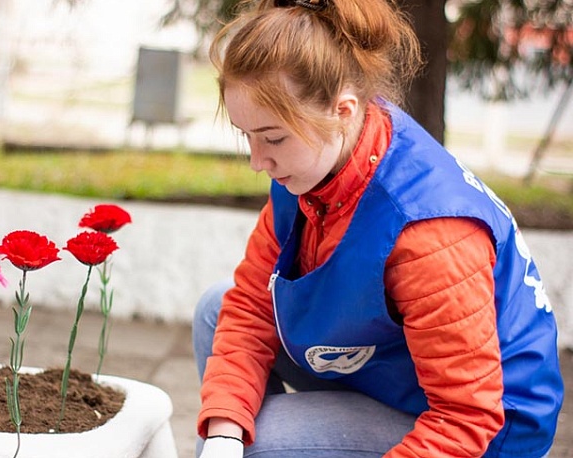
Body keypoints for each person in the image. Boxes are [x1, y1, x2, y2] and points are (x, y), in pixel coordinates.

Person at [192, 0, 565, 457]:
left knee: (261, 445)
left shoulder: (428, 231)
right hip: (395, 370)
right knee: (216, 313)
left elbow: (467, 417)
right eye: (246, 135)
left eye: (272, 137)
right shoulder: (317, 157)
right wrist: (224, 433)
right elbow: (252, 304)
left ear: (343, 111)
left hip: (487, 429)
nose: (257, 161)